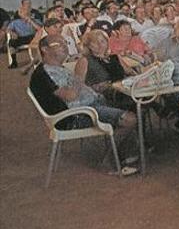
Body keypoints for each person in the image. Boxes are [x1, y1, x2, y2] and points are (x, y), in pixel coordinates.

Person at [30, 35, 139, 175]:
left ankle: (129, 153)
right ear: (44, 49)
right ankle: (109, 162)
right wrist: (79, 76)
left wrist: (92, 89)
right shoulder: (44, 73)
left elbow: (75, 89)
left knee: (133, 104)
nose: (65, 46)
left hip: (89, 105)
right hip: (75, 116)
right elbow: (71, 96)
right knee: (130, 119)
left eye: (65, 42)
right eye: (59, 43)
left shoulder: (58, 68)